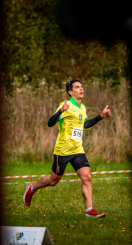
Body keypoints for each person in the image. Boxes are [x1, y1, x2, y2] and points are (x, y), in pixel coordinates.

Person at [23, 78, 111, 218]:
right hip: (63, 151)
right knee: (53, 181)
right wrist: (60, 112)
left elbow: (85, 125)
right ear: (70, 92)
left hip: (78, 150)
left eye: (81, 86)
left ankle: (90, 210)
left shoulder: (82, 108)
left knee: (86, 177)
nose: (81, 89)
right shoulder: (65, 105)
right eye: (77, 87)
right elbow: (50, 123)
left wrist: (101, 116)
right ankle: (32, 188)